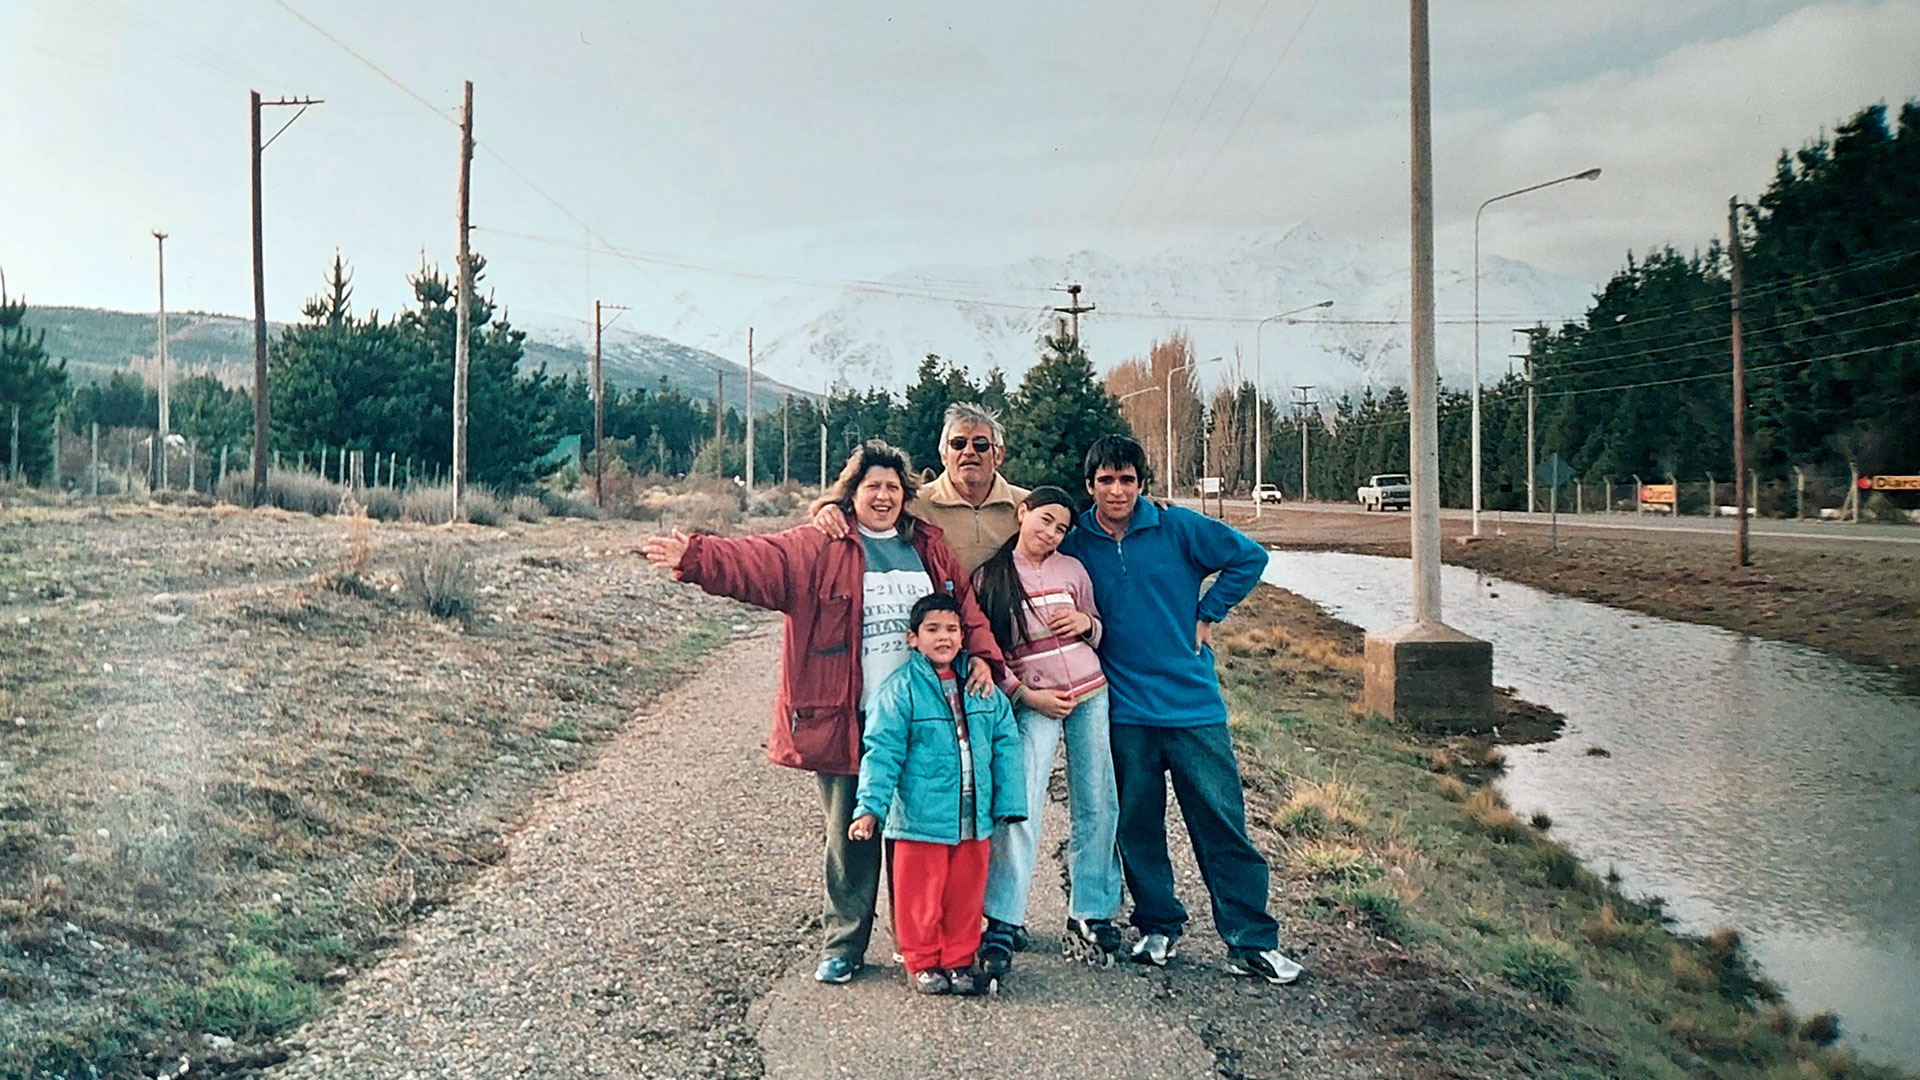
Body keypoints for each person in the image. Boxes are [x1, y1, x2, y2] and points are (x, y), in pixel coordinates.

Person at [640, 440, 1003, 986]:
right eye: (871, 486)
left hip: (926, 719)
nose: (882, 496)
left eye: (893, 488)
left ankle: (920, 945)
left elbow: (962, 608)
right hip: (847, 715)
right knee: (850, 835)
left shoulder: (927, 545)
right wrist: (696, 558)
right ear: (851, 492)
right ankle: (845, 944)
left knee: (920, 838)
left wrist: (985, 658)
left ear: (906, 497)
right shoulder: (821, 543)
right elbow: (760, 560)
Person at [1057, 434, 1305, 986]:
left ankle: (1251, 941)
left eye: (1126, 479)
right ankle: (1158, 925)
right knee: (1138, 825)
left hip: (1193, 707)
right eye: (1105, 480)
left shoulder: (1179, 527)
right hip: (1124, 712)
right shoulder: (1076, 542)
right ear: (1090, 486)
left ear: (1142, 483)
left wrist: (1208, 611)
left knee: (1222, 825)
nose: (1116, 490)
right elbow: (1028, 542)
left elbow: (1249, 557)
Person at [969, 486, 1123, 977]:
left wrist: (1084, 622)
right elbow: (988, 652)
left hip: (1091, 694)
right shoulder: (991, 577)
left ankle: (1090, 910)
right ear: (1023, 513)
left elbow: (1098, 626)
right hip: (1037, 702)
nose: (1052, 533)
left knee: (1097, 800)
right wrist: (1024, 695)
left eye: (1061, 528)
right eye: (1045, 521)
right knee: (1022, 804)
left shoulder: (1073, 570)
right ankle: (1004, 918)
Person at [849, 593, 1025, 996]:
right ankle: (923, 960)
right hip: (920, 817)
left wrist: (1010, 802)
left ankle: (960, 960)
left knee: (965, 893)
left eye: (951, 629)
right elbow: (882, 752)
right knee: (920, 895)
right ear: (913, 638)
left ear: (964, 636)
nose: (943, 637)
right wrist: (869, 809)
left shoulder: (982, 686)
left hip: (973, 815)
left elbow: (1006, 742)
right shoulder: (900, 691)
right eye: (932, 630)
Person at [811, 402, 1028, 574]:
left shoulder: (1027, 506)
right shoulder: (913, 502)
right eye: (958, 444)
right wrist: (830, 509)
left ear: (998, 454)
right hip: (937, 623)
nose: (969, 452)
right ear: (944, 455)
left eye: (980, 444)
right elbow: (865, 513)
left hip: (1007, 624)